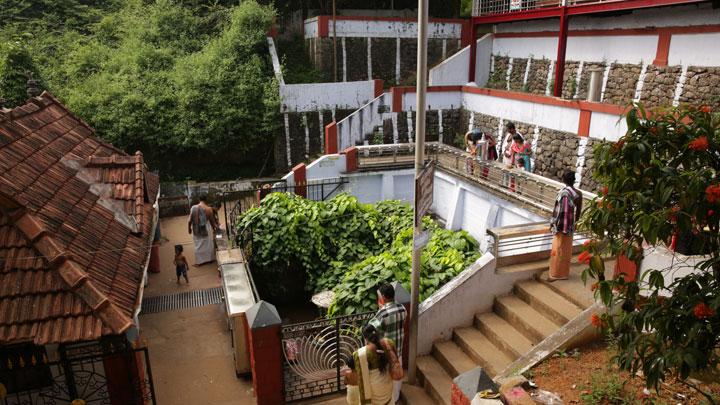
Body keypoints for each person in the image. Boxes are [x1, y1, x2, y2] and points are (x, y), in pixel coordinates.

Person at [368, 283, 406, 404]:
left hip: (386, 351)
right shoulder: (402, 309)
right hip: (398, 349)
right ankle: (396, 397)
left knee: (388, 377)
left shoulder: (382, 313)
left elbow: (371, 328)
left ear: (383, 296)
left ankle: (389, 401)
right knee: (397, 373)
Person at [548, 170, 583, 281]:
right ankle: (564, 274)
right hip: (569, 227)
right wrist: (575, 223)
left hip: (559, 226)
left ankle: (555, 274)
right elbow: (578, 212)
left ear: (563, 180)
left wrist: (552, 224)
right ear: (574, 180)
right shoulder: (578, 194)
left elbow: (556, 211)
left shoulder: (562, 192)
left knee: (557, 250)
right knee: (566, 251)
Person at [352, 325, 398, 405]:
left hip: (373, 393)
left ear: (365, 338)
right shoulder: (389, 343)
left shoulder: (360, 354)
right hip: (387, 388)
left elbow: (361, 380)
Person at [188, 194, 218, 266]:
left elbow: (189, 221)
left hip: (196, 228)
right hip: (206, 228)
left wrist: (189, 229)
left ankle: (199, 262)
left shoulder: (193, 208)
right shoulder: (209, 209)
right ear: (206, 200)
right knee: (208, 244)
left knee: (198, 245)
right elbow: (212, 222)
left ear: (199, 199)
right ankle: (209, 259)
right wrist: (215, 229)